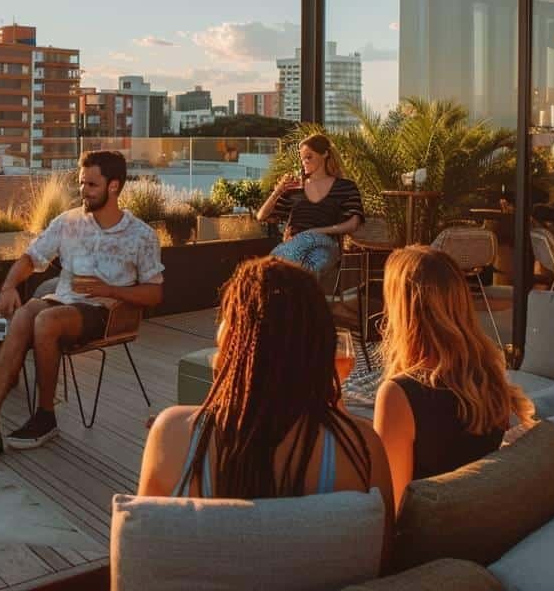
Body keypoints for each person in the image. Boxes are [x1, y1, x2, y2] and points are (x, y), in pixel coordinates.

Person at [137, 258, 393, 550]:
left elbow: (147, 552)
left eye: (226, 317)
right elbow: (383, 563)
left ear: (237, 336)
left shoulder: (174, 435)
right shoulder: (363, 448)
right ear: (320, 342)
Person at [0, 150, 164, 454]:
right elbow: (31, 257)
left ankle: (45, 415)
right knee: (26, 313)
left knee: (44, 320)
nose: (83, 191)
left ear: (114, 186)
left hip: (106, 311)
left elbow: (155, 294)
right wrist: (10, 286)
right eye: (81, 183)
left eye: (91, 185)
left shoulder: (141, 235)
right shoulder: (69, 222)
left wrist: (111, 289)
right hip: (62, 301)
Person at [373, 246, 533, 509]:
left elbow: (393, 506)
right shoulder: (486, 377)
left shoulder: (399, 394)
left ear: (402, 311)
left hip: (430, 538)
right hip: (477, 524)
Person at [257, 133, 364, 277]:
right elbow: (262, 216)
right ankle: (302, 296)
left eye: (309, 157)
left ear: (325, 154)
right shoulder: (295, 190)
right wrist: (278, 191)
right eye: (302, 159)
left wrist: (316, 232)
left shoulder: (345, 187)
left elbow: (353, 224)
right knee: (306, 271)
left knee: (285, 263)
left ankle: (268, 270)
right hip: (296, 246)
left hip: (326, 242)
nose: (304, 162)